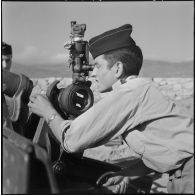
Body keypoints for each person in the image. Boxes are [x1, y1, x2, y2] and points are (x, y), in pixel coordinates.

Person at [28, 24, 194, 193]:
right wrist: (127, 174)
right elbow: (165, 152)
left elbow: (72, 141)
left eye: (98, 66)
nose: (93, 72)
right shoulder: (140, 89)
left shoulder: (129, 94)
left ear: (118, 68)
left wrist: (47, 112)